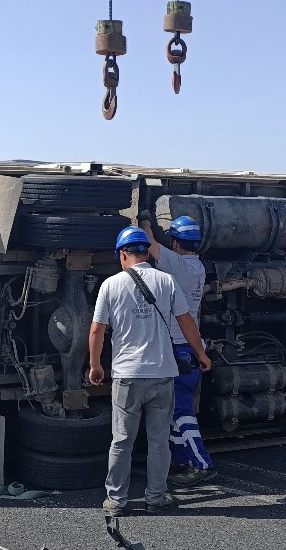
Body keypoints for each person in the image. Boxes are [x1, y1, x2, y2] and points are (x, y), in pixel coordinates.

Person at [89, 226, 212, 517]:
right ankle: (155, 499)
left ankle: (116, 502)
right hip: (162, 374)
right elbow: (186, 322)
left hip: (127, 376)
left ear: (122, 255)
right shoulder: (167, 281)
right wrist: (201, 353)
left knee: (121, 441)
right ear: (146, 253)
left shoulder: (111, 285)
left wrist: (95, 365)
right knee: (159, 442)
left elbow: (97, 330)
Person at [138, 213, 217, 487]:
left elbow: (149, 245)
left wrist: (146, 223)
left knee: (180, 411)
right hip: (190, 347)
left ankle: (201, 464)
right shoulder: (197, 267)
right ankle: (182, 460)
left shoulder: (176, 264)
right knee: (172, 411)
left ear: (175, 242)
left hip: (177, 347)